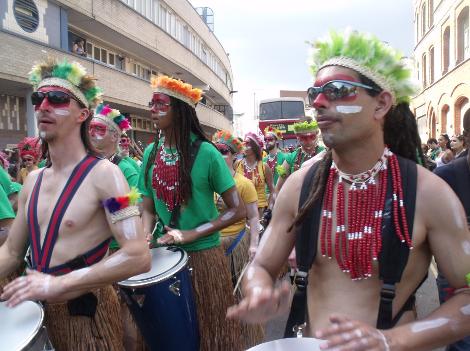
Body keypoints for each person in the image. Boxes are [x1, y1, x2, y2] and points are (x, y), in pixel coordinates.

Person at [227, 30, 470, 350]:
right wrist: (258, 290)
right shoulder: (301, 186)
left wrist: (390, 340)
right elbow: (261, 266)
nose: (318, 102)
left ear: (381, 103)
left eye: (337, 90)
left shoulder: (429, 194)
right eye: (315, 92)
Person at [0, 58, 151, 351]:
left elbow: (137, 255)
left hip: (86, 318)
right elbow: (12, 251)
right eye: (38, 98)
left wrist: (61, 284)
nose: (43, 106)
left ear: (83, 114)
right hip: (39, 314)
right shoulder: (33, 181)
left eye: (56, 98)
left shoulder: (108, 175)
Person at [139, 75, 246, 351]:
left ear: (180, 110)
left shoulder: (208, 153)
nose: (152, 109)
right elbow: (147, 207)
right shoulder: (151, 153)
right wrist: (141, 240)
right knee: (169, 335)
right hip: (163, 258)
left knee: (209, 335)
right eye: (152, 103)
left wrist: (191, 233)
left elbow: (237, 209)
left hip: (204, 258)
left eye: (161, 104)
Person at [212, 129, 265, 348]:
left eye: (224, 152)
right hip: (213, 247)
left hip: (237, 244)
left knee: (240, 294)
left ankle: (248, 337)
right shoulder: (207, 183)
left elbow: (253, 217)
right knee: (217, 296)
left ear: (235, 155)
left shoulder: (244, 184)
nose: (219, 155)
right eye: (215, 151)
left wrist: (253, 246)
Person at [275, 119, 325, 192]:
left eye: (312, 137)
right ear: (297, 137)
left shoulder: (325, 153)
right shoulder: (291, 158)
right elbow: (279, 188)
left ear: (317, 135)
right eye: (303, 138)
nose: (308, 141)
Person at [236, 131, 275, 217]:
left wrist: (269, 210)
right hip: (241, 215)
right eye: (244, 143)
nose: (245, 146)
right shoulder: (237, 164)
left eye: (248, 144)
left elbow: (273, 191)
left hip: (260, 214)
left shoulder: (264, 167)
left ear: (255, 147)